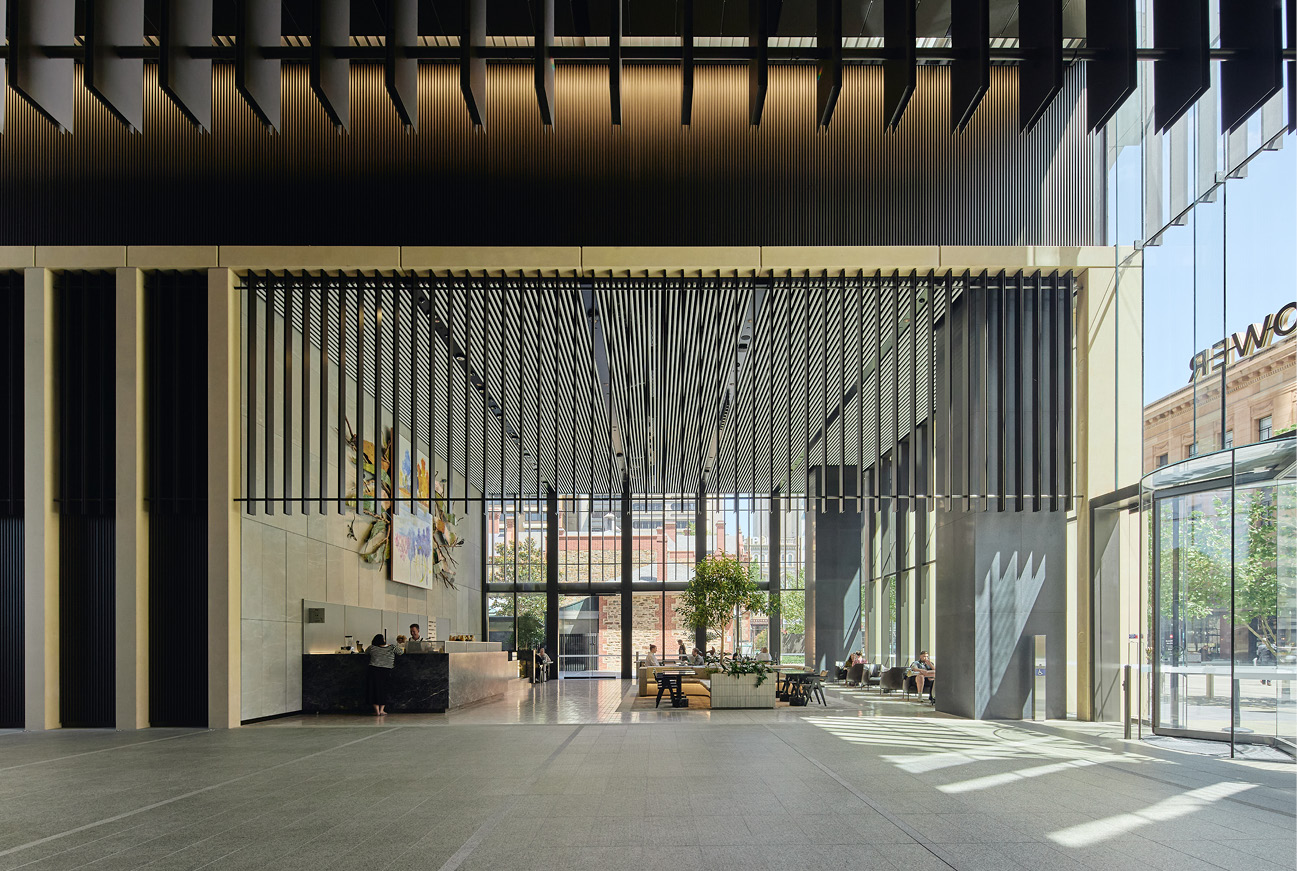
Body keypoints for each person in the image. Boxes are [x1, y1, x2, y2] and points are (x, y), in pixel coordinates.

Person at [366, 633, 403, 715]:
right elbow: (401, 652)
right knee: (384, 690)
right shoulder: (392, 647)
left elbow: (365, 653)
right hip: (386, 670)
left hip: (373, 670)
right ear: (383, 641)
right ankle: (382, 710)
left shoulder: (372, 648)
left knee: (374, 690)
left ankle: (377, 711)